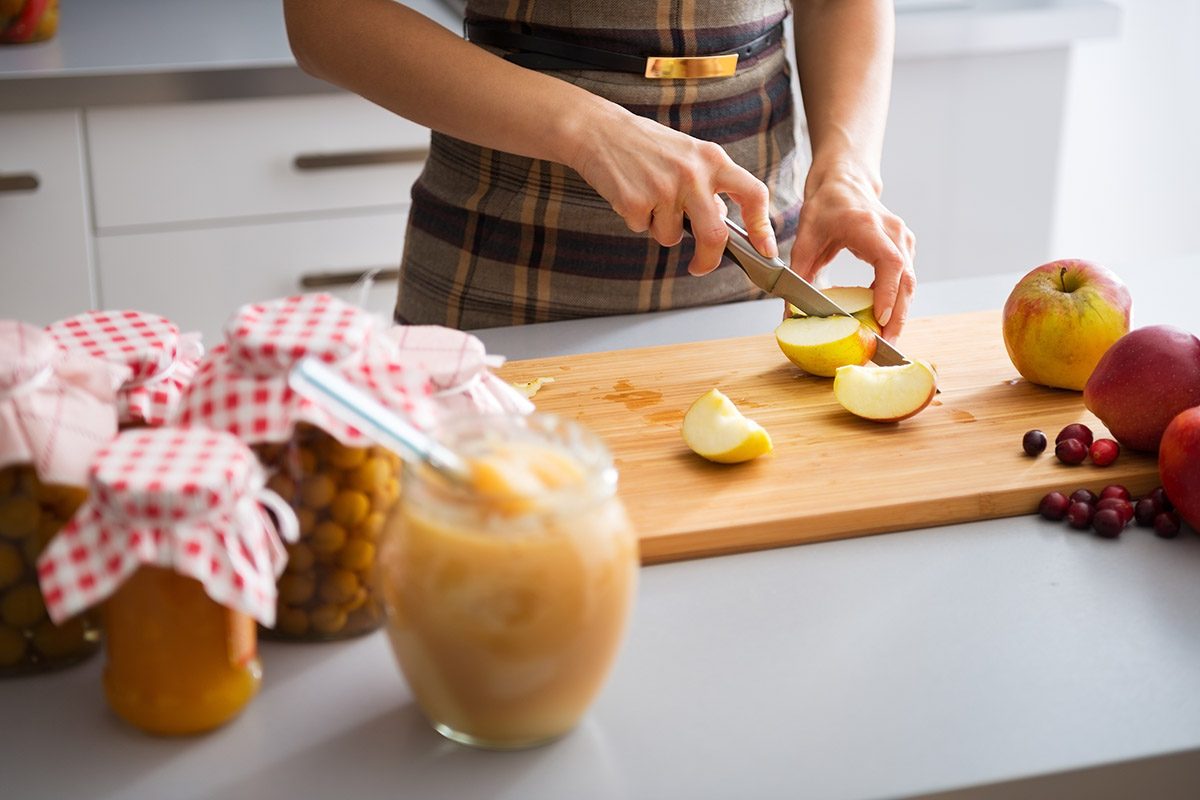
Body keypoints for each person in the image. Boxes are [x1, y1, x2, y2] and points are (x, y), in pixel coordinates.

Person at [282, 0, 915, 339]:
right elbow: (324, 19)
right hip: (497, 292)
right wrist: (593, 130)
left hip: (754, 287)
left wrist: (848, 169)